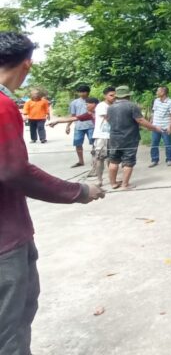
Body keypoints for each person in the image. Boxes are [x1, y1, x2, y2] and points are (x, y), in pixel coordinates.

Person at [0, 31, 105, 354]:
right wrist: (79, 191)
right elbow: (14, 170)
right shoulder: (4, 106)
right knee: (12, 327)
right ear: (27, 64)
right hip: (5, 238)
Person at [49, 90, 113, 187]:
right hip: (100, 137)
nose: (86, 106)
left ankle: (112, 179)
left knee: (110, 159)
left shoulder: (106, 109)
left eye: (88, 104)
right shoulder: (90, 114)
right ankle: (100, 180)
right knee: (100, 158)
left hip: (109, 136)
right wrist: (58, 121)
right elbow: (74, 118)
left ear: (94, 104)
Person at [107, 85, 164, 190]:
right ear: (128, 95)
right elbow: (140, 120)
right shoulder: (132, 106)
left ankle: (113, 183)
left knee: (113, 161)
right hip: (129, 138)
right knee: (128, 161)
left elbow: (109, 120)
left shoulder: (110, 107)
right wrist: (154, 128)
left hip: (114, 138)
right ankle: (125, 185)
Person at [66, 84, 94, 168]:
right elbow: (73, 115)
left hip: (91, 126)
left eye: (84, 91)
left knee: (95, 144)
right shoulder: (74, 103)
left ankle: (96, 161)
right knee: (78, 144)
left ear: (88, 92)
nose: (82, 93)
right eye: (80, 92)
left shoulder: (93, 101)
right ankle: (80, 161)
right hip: (79, 126)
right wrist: (68, 126)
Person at [149, 85, 171, 167]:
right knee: (154, 144)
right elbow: (154, 112)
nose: (156, 92)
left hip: (165, 127)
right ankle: (154, 160)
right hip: (156, 127)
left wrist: (170, 127)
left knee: (168, 144)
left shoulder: (170, 102)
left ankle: (169, 159)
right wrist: (151, 121)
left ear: (163, 92)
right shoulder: (156, 101)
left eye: (158, 91)